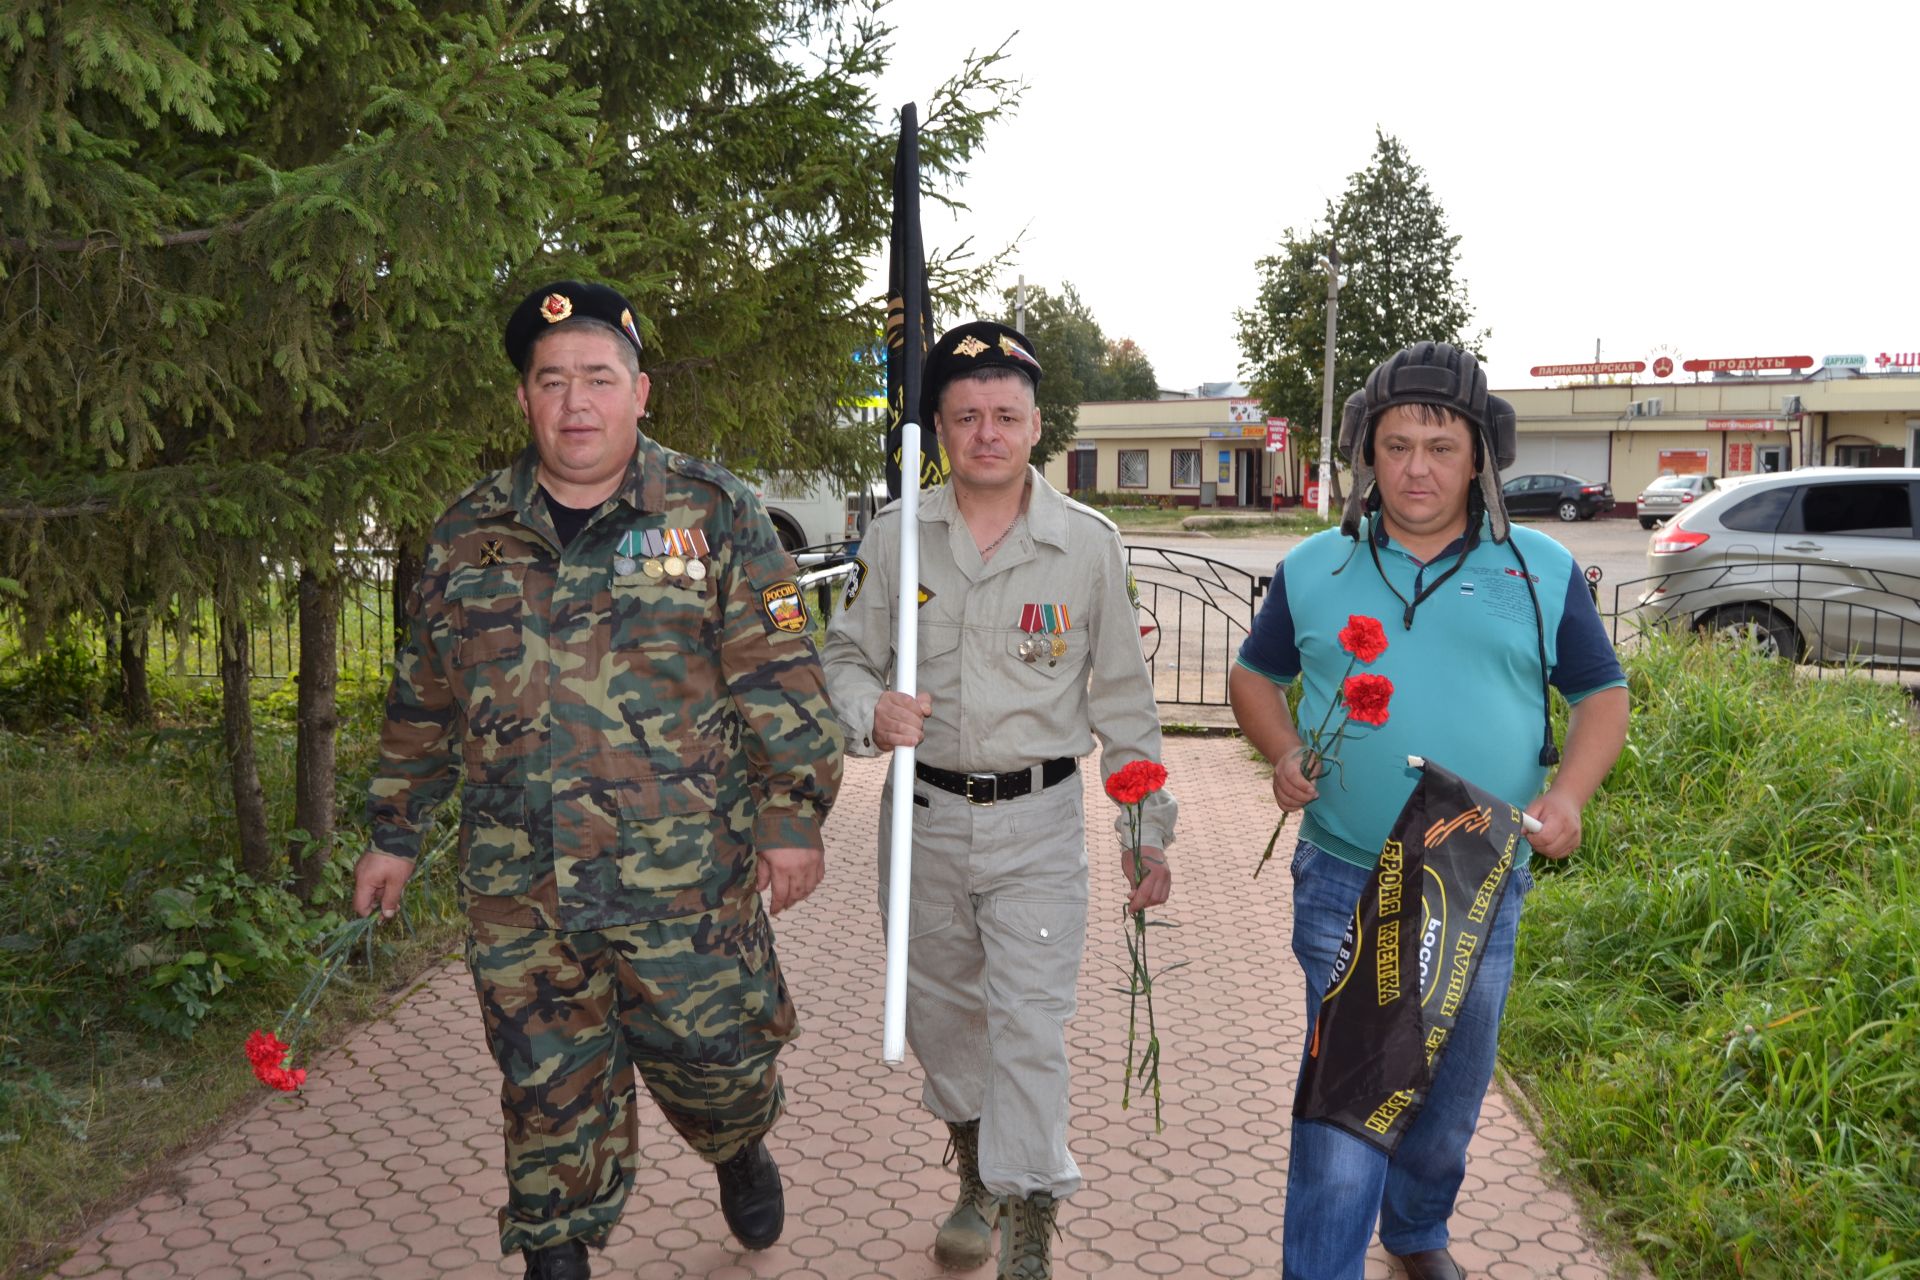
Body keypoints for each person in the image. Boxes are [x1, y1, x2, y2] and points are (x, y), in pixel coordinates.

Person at [352, 280, 845, 1280]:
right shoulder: (466, 534)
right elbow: (423, 700)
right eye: (551, 381)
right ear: (525, 400)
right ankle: (556, 1242)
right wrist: (393, 832)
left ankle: (738, 1141)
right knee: (545, 1089)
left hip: (685, 878)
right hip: (519, 881)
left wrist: (793, 816)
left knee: (715, 1065)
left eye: (597, 378)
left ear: (640, 391)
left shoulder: (718, 515)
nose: (576, 401)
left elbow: (782, 677)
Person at [1229, 342, 1629, 1280]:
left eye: (1441, 448)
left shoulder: (1541, 569)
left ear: (1482, 456)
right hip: (1345, 878)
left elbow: (1602, 698)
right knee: (1347, 1110)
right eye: (1396, 444)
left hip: (1480, 881)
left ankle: (1414, 1229)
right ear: (1367, 453)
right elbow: (1256, 677)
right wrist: (1282, 750)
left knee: (1446, 1103)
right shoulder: (1313, 566)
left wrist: (1567, 795)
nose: (1416, 467)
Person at [822, 320, 1176, 1280]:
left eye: (1006, 416)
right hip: (922, 821)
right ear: (938, 427)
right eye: (967, 415)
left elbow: (1125, 707)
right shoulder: (898, 539)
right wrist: (870, 711)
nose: (988, 433)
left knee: (1029, 1028)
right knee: (942, 1020)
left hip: (1038, 827)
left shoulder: (1087, 548)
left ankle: (1027, 1233)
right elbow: (843, 658)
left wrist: (1145, 831)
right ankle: (977, 1169)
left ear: (1035, 426)